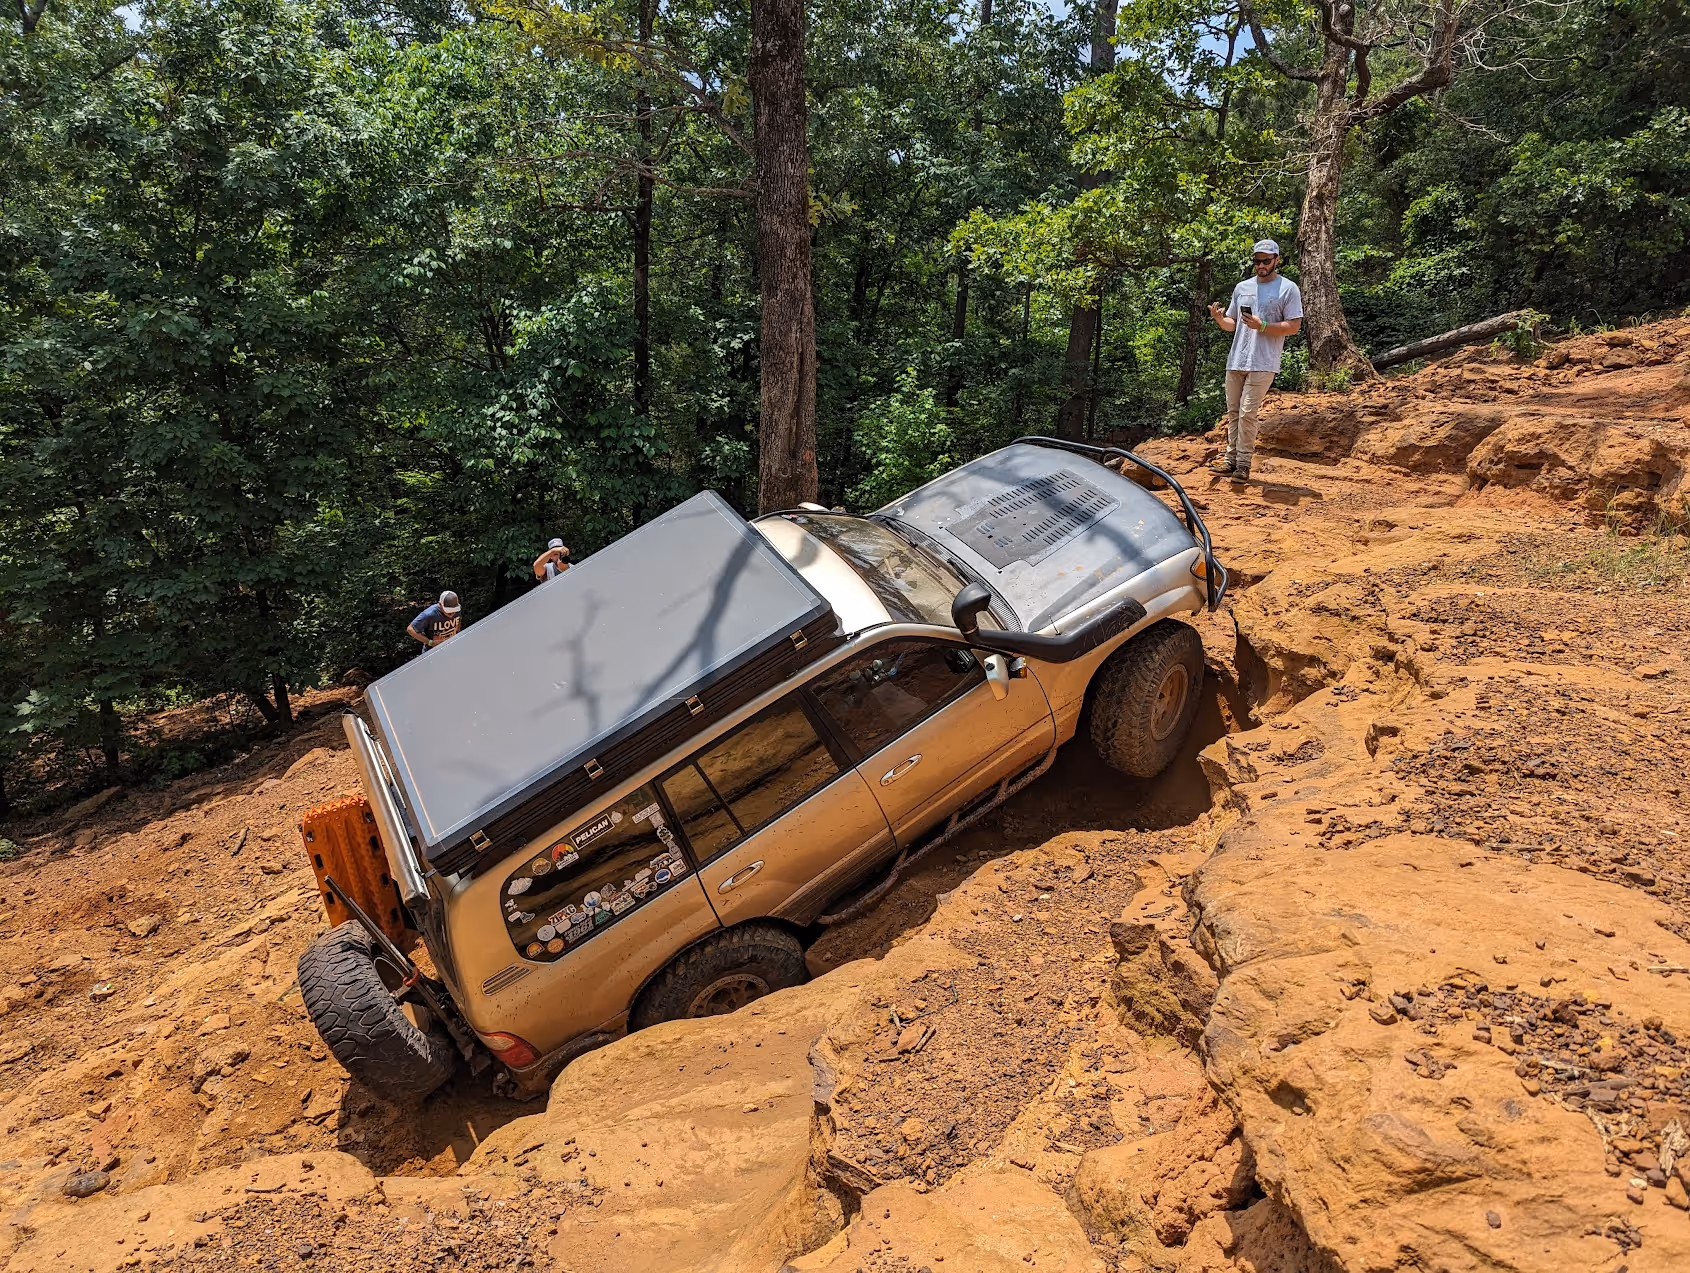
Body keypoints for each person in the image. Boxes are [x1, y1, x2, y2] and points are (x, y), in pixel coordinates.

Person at [1207, 240, 1304, 483]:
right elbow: (1232, 323)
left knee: (1248, 412)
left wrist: (1263, 326)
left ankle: (1243, 464)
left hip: (1264, 361)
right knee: (1233, 412)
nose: (1260, 265)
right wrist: (1219, 319)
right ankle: (1230, 461)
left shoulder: (1288, 288)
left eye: (1266, 261)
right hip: (1237, 359)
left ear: (1277, 260)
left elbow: (1294, 326)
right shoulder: (1242, 287)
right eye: (1257, 261)